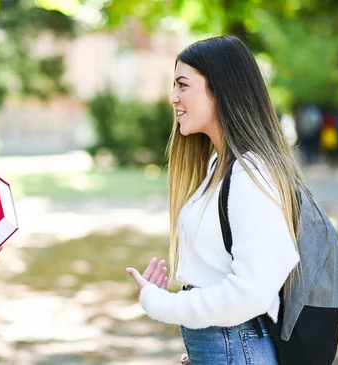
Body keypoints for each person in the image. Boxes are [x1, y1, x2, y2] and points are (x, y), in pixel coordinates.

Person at [126, 35, 309, 364]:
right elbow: (219, 274)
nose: (173, 97)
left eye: (183, 85)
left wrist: (161, 304)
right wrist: (207, 351)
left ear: (220, 89)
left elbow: (251, 292)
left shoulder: (249, 174)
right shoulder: (219, 166)